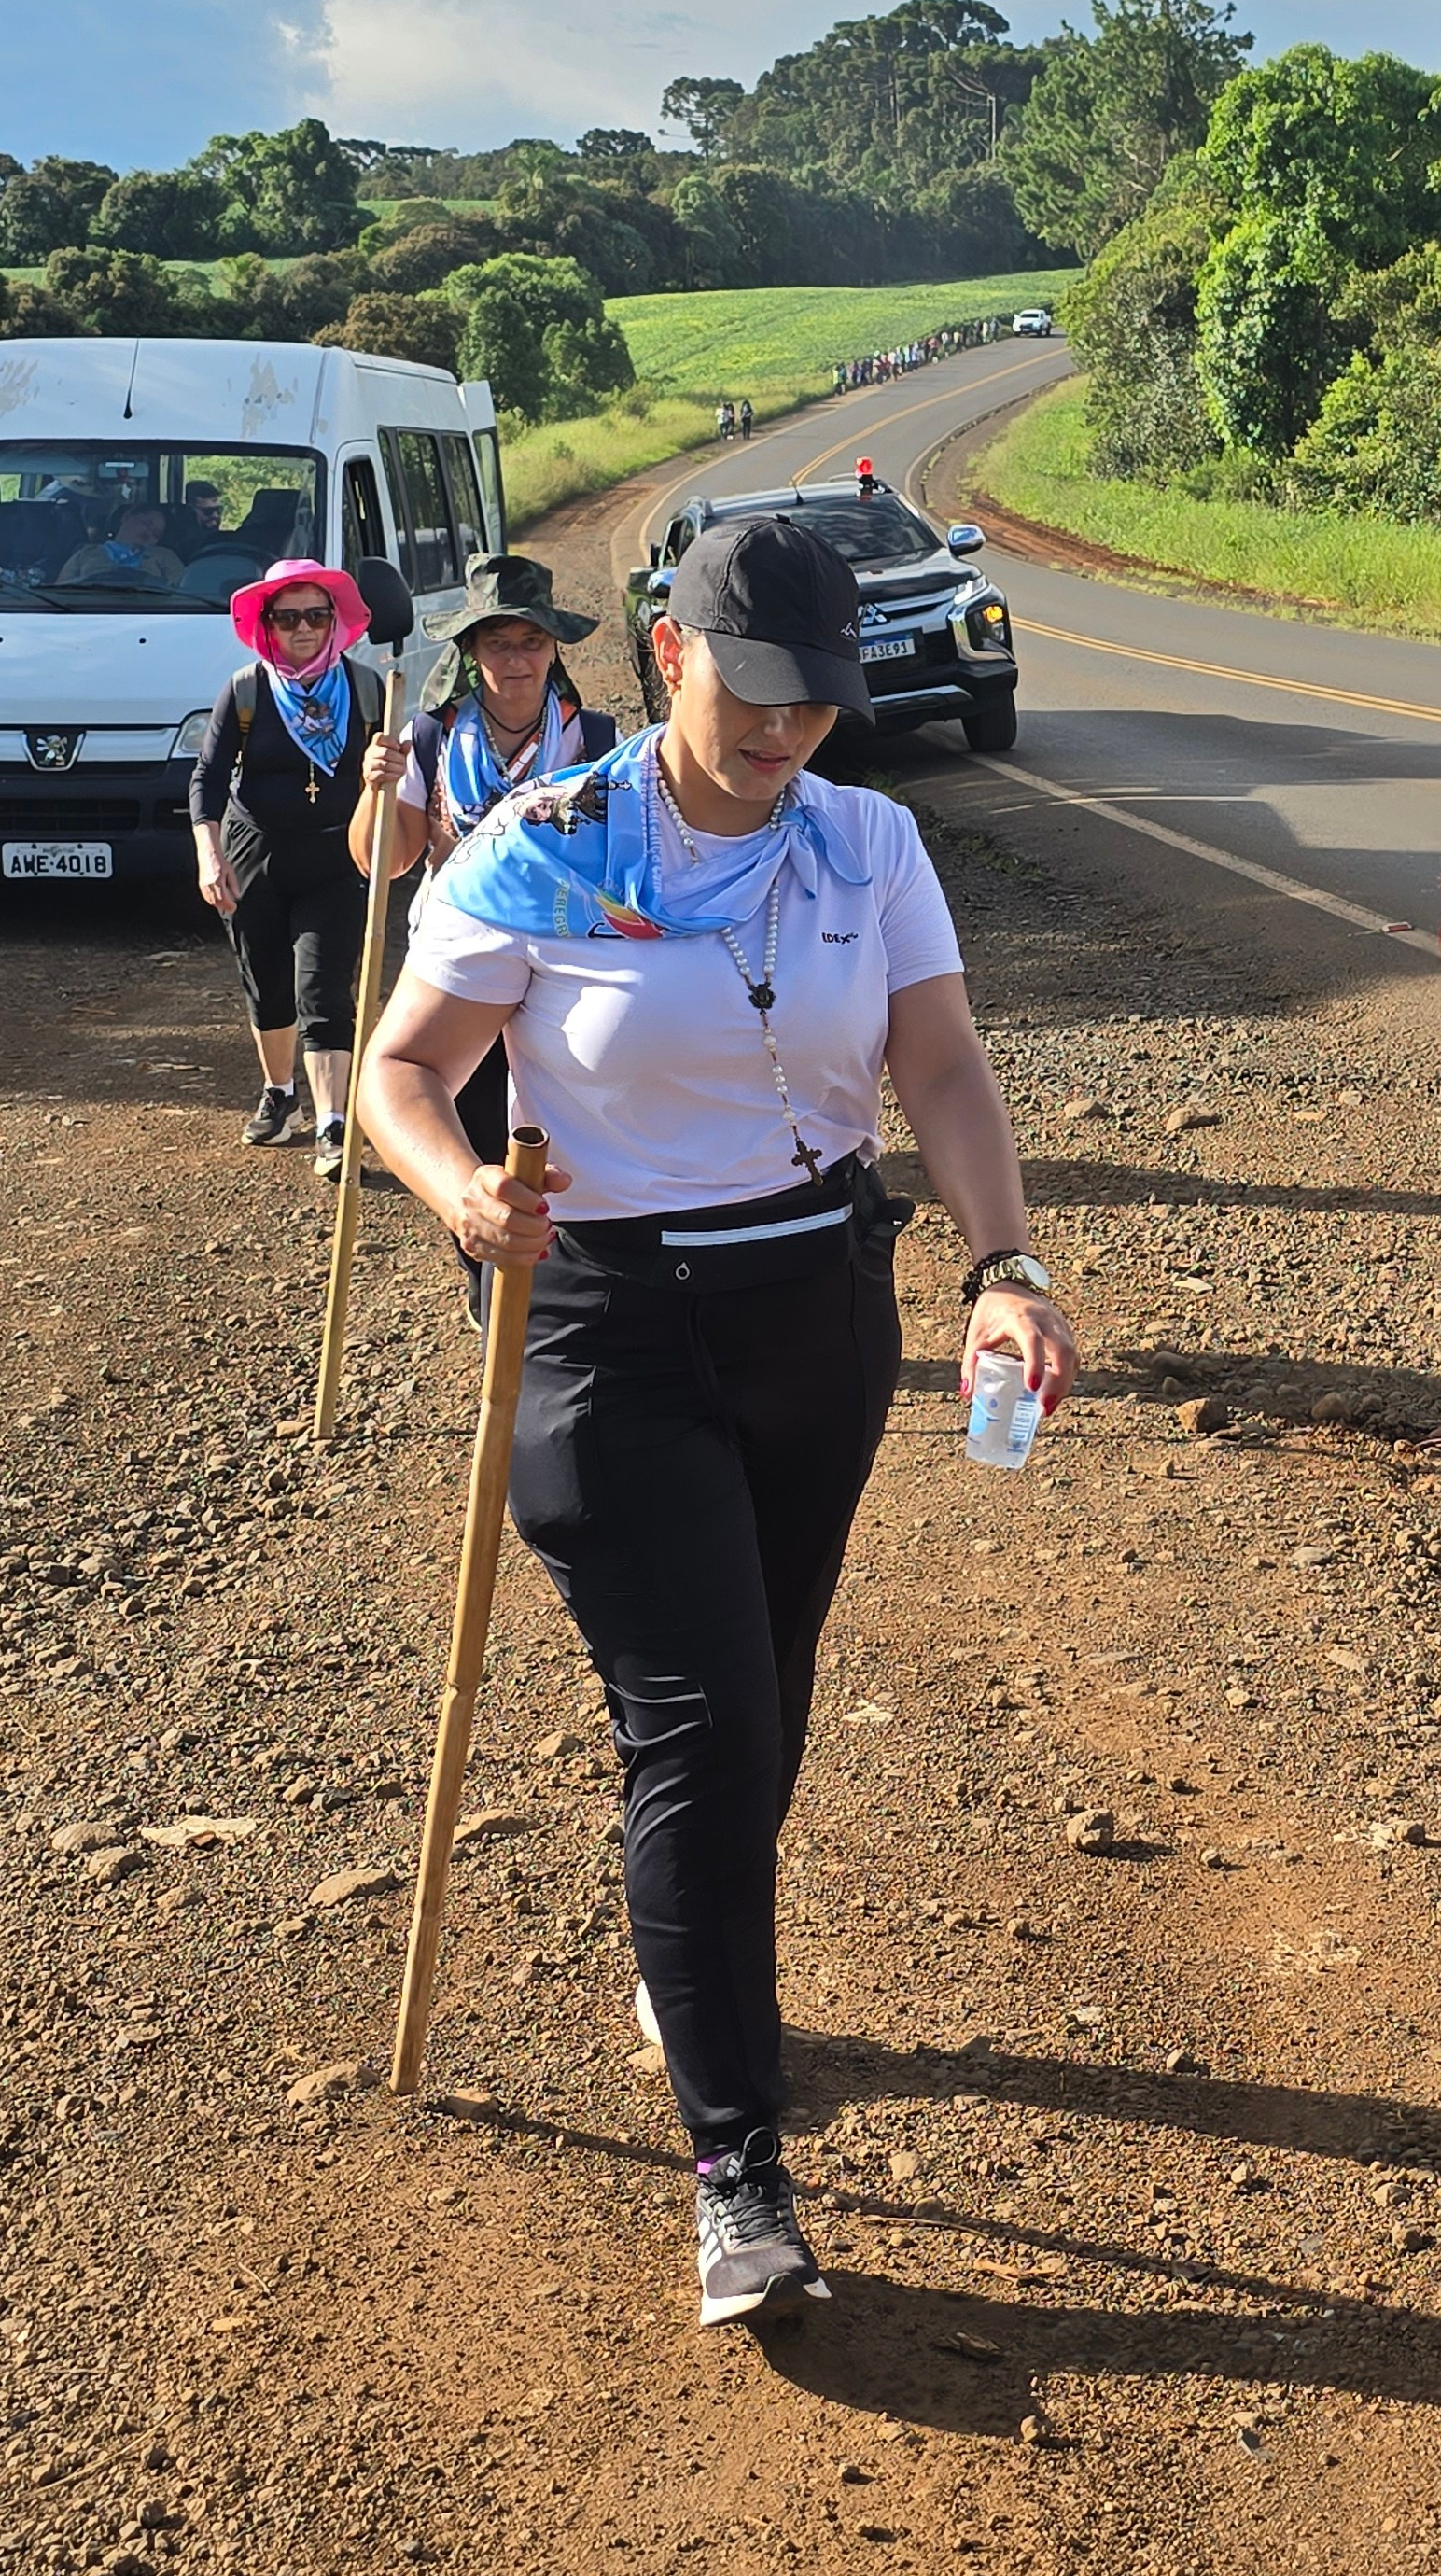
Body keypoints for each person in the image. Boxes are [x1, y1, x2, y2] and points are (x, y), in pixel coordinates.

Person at [360, 516, 1076, 2326]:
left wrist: (1007, 1262)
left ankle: (697, 1960)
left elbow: (936, 1062)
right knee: (697, 1722)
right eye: (752, 694)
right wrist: (455, 1191)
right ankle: (736, 2164)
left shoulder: (870, 838)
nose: (784, 735)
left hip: (816, 1306)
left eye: (816, 703)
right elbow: (402, 1068)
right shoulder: (551, 844)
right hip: (601, 1321)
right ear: (671, 657)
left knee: (768, 1688)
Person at [349, 551, 615, 1171]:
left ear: (554, 648)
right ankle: (479, 1262)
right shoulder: (430, 739)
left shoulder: (596, 743)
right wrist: (374, 790)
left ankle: (550, 1259)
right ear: (471, 651)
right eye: (498, 643)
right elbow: (382, 864)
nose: (516, 660)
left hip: (562, 964)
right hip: (460, 963)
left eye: (531, 641)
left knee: (556, 1134)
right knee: (469, 1135)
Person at [189, 561, 384, 1181]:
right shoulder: (246, 689)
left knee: (324, 990)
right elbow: (209, 779)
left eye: (316, 615)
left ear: (335, 622)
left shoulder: (368, 690)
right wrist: (209, 855)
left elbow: (393, 782)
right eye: (288, 617)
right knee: (266, 983)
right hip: (254, 855)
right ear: (267, 624)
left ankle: (333, 1125)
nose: (302, 629)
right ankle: (281, 1094)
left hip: (336, 855)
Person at [58, 498, 183, 591]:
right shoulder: (85, 553)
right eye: (147, 524)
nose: (148, 534)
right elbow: (60, 591)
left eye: (156, 534)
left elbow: (181, 592)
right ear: (127, 517)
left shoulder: (165, 556)